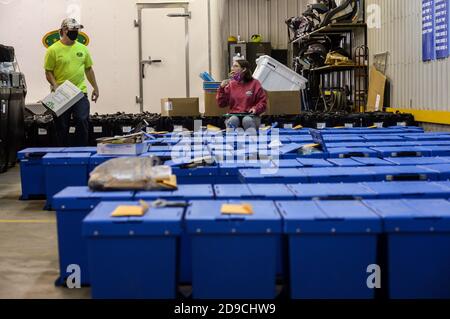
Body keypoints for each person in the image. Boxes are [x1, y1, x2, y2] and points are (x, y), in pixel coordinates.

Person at [44, 18, 99, 146]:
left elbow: (88, 69)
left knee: (82, 119)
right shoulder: (53, 50)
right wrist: (55, 85)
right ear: (64, 30)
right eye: (73, 30)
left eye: (77, 30)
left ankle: (81, 151)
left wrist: (95, 87)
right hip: (61, 93)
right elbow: (48, 71)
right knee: (62, 126)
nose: (75, 32)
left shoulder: (82, 49)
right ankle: (62, 153)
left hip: (80, 92)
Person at [216, 59, 267, 131]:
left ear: (244, 69)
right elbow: (221, 104)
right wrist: (221, 89)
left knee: (247, 120)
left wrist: (255, 109)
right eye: (232, 66)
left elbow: (263, 102)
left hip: (251, 117)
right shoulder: (231, 84)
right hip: (233, 115)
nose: (232, 68)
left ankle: (252, 140)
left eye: (236, 66)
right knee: (233, 120)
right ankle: (230, 141)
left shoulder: (255, 83)